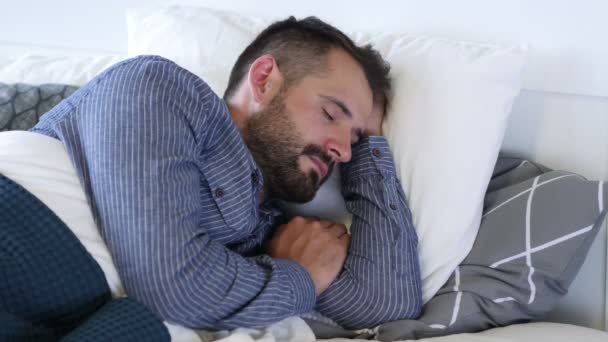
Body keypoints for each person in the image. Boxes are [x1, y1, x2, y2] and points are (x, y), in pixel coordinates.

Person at [32, 16, 422, 330]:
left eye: (354, 137)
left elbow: (383, 304)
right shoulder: (159, 89)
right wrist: (298, 274)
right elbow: (172, 286)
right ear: (264, 79)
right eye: (331, 113)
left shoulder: (272, 234)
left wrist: (370, 146)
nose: (343, 149)